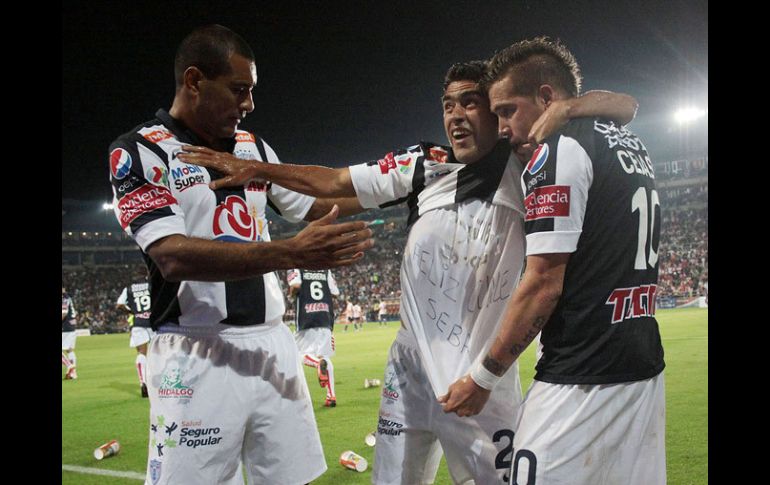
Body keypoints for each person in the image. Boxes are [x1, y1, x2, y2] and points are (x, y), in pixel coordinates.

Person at [178, 57, 636, 484]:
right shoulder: (422, 165)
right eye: (447, 105)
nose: (455, 115)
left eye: (469, 103)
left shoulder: (521, 161)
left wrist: (568, 107)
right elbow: (334, 181)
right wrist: (256, 168)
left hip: (477, 376)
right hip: (407, 370)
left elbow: (625, 107)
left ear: (496, 113)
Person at [107, 24, 373, 485]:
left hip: (273, 345)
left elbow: (316, 204)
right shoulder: (140, 151)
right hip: (197, 353)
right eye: (238, 90)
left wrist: (408, 182)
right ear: (193, 80)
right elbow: (171, 255)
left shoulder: (252, 147)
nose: (248, 105)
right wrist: (289, 251)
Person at [440, 37, 666, 485]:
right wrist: (570, 109)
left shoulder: (558, 151)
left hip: (580, 377)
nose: (502, 126)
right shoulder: (626, 141)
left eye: (507, 110)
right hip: (642, 371)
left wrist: (483, 378)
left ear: (546, 98)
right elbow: (627, 105)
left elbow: (543, 283)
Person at [287, 267, 340, 407]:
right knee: (325, 356)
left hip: (307, 317)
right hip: (325, 317)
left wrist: (291, 295)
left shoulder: (297, 268)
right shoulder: (325, 271)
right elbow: (335, 293)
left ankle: (317, 364)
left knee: (297, 354)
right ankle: (331, 396)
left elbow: (295, 286)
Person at [116, 266, 154, 398]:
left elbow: (119, 304)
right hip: (154, 322)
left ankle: (143, 382)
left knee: (141, 353)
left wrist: (132, 311)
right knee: (159, 352)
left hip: (138, 323)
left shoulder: (129, 289)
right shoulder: (151, 285)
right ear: (146, 274)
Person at [61, 287, 78, 380]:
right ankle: (73, 374)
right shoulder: (67, 297)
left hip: (66, 327)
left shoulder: (64, 299)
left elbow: (63, 313)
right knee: (69, 350)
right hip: (71, 326)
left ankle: (69, 365)